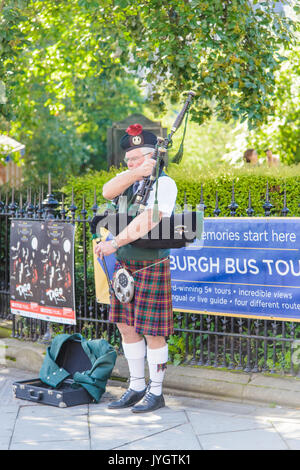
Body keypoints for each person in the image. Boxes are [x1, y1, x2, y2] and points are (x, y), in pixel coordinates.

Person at [94, 123, 177, 413]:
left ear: (154, 156)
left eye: (138, 158)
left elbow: (148, 221)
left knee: (154, 330)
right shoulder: (130, 180)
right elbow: (107, 191)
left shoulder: (163, 184)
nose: (132, 163)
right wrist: (134, 172)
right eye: (128, 159)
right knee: (126, 327)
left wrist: (113, 243)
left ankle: (156, 392)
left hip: (150, 264)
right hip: (125, 266)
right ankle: (136, 386)